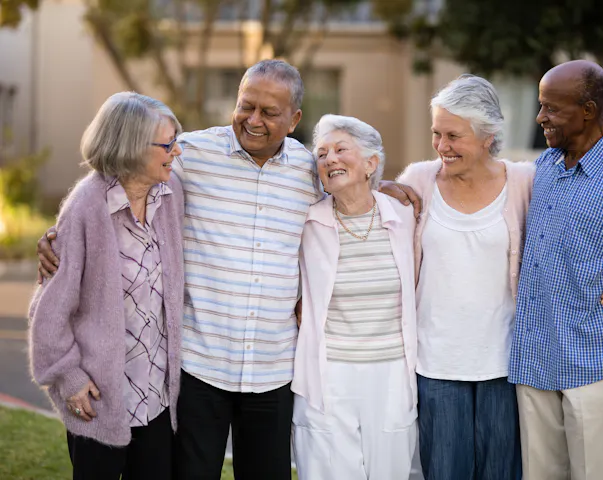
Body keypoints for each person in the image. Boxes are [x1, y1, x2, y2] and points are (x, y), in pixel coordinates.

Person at [36, 59, 417, 480]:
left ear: (293, 120)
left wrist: (382, 184)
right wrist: (60, 234)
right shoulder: (190, 155)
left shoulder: (310, 171)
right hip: (200, 369)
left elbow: (346, 180)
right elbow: (121, 179)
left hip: (273, 372)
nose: (253, 120)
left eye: (269, 113)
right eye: (245, 106)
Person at [393, 74, 603, 480]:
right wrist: (377, 186)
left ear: (487, 135)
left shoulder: (526, 180)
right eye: (436, 134)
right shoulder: (417, 181)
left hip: (507, 364)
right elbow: (375, 230)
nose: (441, 147)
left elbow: (573, 232)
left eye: (453, 136)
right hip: (436, 364)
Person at [508, 60, 603, 480]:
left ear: (588, 110)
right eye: (540, 106)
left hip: (595, 364)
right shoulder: (541, 170)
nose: (540, 118)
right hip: (534, 362)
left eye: (551, 109)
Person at [28, 92, 185, 480]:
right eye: (167, 144)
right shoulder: (86, 207)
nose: (177, 151)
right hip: (99, 398)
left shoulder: (171, 194)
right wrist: (69, 379)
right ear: (132, 146)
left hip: (158, 400)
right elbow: (47, 312)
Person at [291, 115, 418, 479]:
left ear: (371, 163)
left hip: (392, 370)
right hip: (328, 372)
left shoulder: (406, 215)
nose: (329, 159)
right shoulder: (307, 222)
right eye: (321, 154)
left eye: (340, 150)